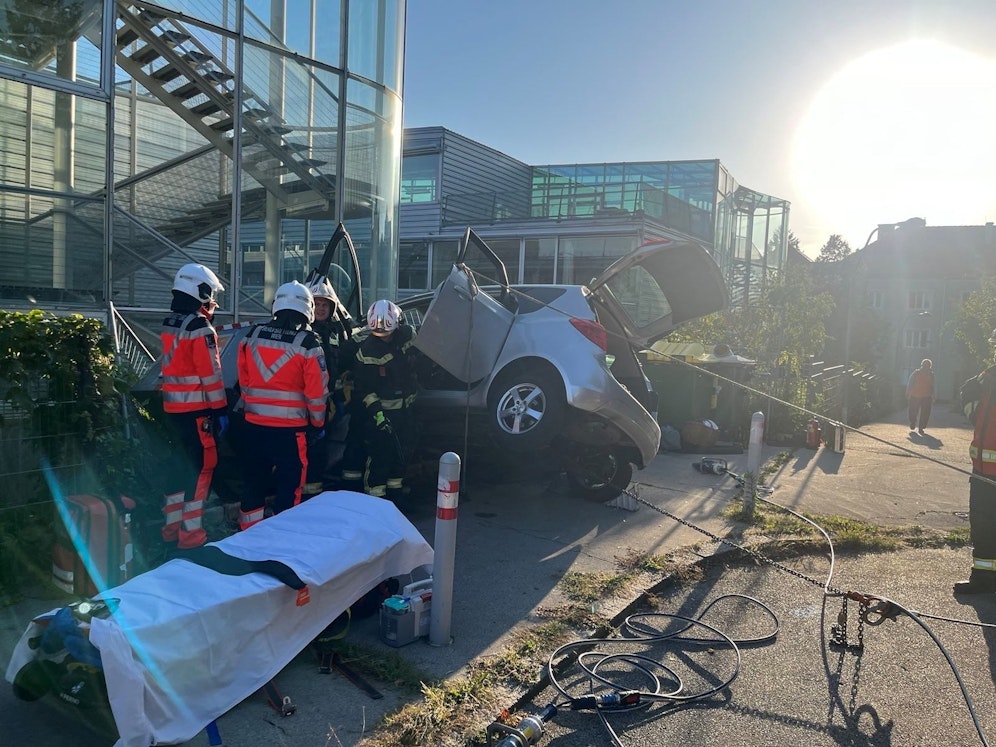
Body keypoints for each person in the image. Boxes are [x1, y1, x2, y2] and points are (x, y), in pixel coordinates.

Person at [236, 281, 329, 530]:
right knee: (290, 485)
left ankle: (248, 535)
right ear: (307, 309)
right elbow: (317, 394)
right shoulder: (309, 344)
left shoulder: (251, 335)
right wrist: (318, 424)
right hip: (291, 431)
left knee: (254, 482)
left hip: (253, 425)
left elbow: (243, 381)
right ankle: (283, 537)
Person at [160, 263, 228, 549]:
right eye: (210, 294)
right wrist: (221, 409)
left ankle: (169, 532)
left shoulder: (170, 323)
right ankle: (191, 537)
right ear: (200, 292)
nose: (212, 301)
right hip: (198, 412)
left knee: (177, 475)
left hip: (172, 412)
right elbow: (210, 375)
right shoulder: (200, 327)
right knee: (202, 471)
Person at [351, 299, 418, 501]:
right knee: (380, 460)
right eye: (378, 334)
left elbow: (421, 358)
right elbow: (365, 389)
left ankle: (395, 503)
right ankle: (375, 504)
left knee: (400, 460)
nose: (383, 337)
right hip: (382, 417)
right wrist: (379, 416)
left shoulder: (407, 336)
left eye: (387, 334)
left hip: (406, 413)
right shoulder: (368, 351)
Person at [304, 276, 353, 492]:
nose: (321, 309)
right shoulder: (303, 333)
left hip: (329, 401)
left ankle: (319, 485)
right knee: (311, 448)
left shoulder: (334, 332)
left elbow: (339, 365)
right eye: (317, 304)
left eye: (325, 305)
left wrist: (341, 395)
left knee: (323, 447)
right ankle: (308, 492)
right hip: (308, 403)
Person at [957, 330, 996, 594]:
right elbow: (978, 416)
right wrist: (969, 400)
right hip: (982, 472)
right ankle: (983, 580)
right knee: (982, 527)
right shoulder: (988, 377)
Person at [906, 358, 935, 435]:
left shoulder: (930, 374)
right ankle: (915, 423)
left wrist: (933, 395)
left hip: (924, 395)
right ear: (922, 365)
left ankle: (919, 426)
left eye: (927, 366)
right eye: (925, 365)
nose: (926, 367)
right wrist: (908, 391)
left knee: (922, 412)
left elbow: (933, 385)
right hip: (917, 395)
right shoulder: (916, 373)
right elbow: (910, 382)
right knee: (916, 411)